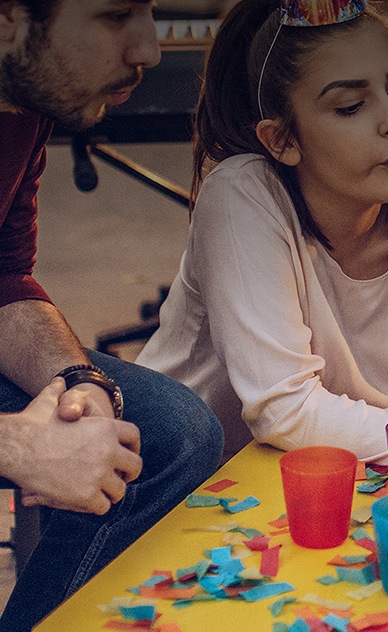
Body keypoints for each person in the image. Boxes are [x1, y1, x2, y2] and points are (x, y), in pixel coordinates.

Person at [135, 0, 388, 485]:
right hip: (175, 486)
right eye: (351, 107)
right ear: (281, 140)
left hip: (338, 482)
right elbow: (283, 410)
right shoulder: (240, 196)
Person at [0, 0, 224, 627]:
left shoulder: (21, 100)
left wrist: (82, 385)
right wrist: (16, 445)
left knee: (169, 435)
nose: (149, 48)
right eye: (115, 14)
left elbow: (4, 275)